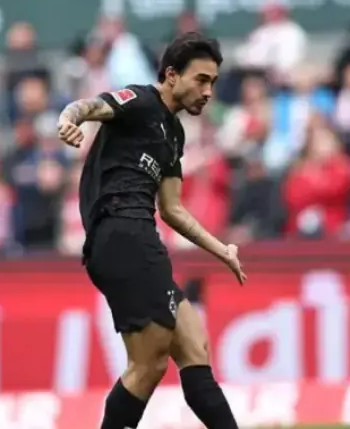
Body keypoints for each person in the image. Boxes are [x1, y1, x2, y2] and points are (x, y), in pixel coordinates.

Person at [57, 32, 245, 429]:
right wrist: (68, 119)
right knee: (148, 363)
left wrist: (221, 250)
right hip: (121, 235)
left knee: (194, 347)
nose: (208, 92)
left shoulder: (174, 135)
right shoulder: (141, 100)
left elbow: (173, 209)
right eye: (201, 79)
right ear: (172, 75)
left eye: (213, 82)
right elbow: (91, 106)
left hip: (140, 238)